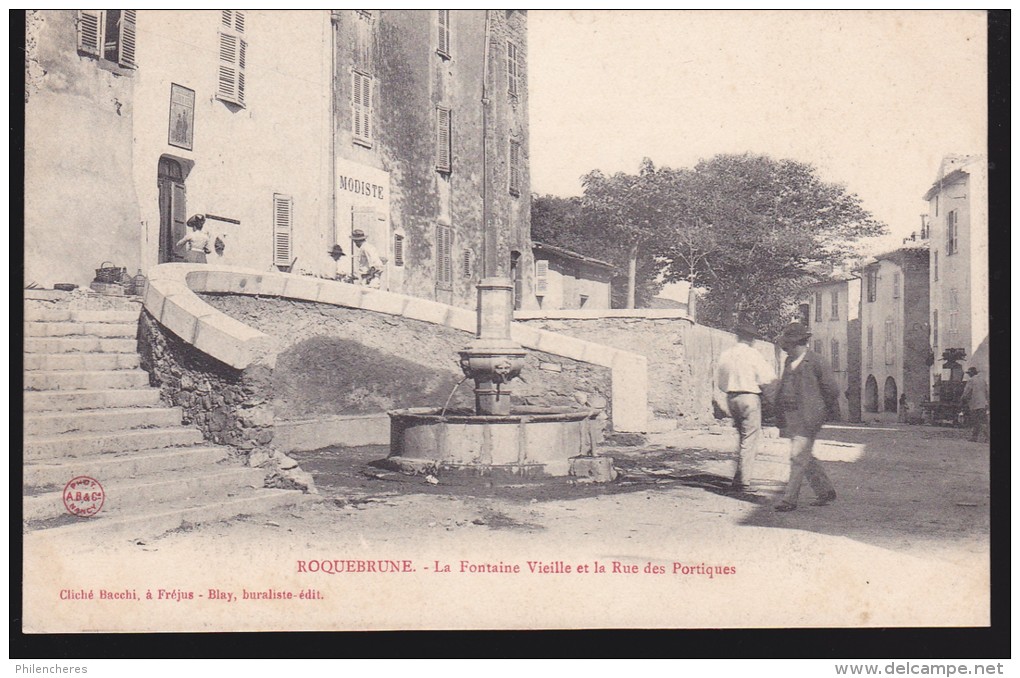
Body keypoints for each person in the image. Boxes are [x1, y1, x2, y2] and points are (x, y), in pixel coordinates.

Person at [773, 321, 841, 512]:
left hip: (809, 416)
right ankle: (825, 491)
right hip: (791, 415)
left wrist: (819, 409)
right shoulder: (788, 361)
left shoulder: (817, 361)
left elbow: (833, 390)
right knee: (804, 456)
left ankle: (789, 500)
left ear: (800, 343)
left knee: (797, 456)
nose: (786, 349)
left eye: (790, 345)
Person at [714, 321, 778, 493]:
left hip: (731, 397)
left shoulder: (726, 355)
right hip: (749, 397)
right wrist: (774, 401)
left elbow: (720, 382)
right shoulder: (753, 355)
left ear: (738, 336)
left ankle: (739, 477)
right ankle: (743, 482)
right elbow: (767, 380)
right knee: (750, 439)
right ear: (751, 339)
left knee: (742, 438)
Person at [961, 366, 989, 443]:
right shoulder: (983, 380)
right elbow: (987, 392)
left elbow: (967, 391)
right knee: (983, 421)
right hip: (983, 403)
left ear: (972, 373)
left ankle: (976, 437)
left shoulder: (971, 380)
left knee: (976, 421)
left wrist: (962, 399)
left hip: (975, 403)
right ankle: (985, 437)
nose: (969, 375)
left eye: (969, 373)